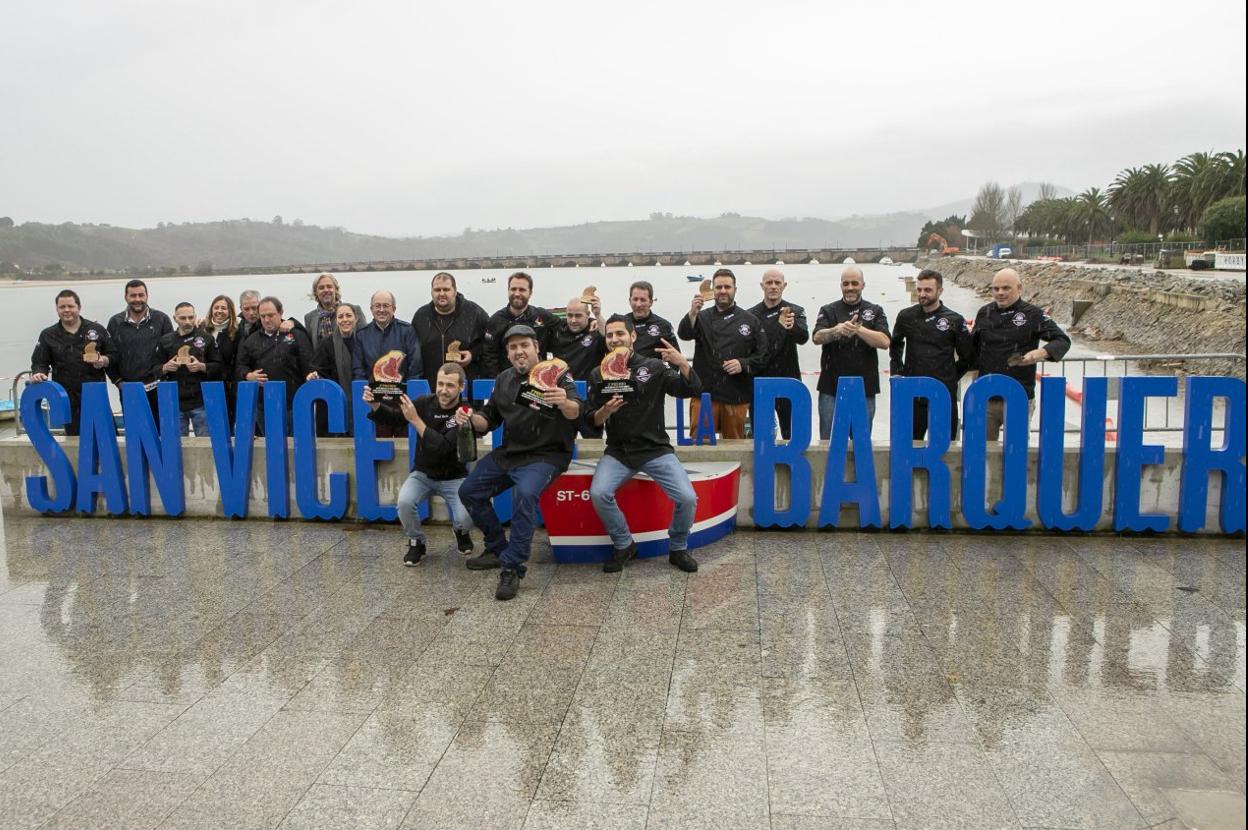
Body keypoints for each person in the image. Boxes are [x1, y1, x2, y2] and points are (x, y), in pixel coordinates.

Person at [456, 324, 583, 601]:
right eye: (513, 347)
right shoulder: (503, 379)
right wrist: (470, 419)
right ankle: (496, 547)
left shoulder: (559, 374)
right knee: (469, 491)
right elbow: (488, 419)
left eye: (524, 345)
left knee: (524, 493)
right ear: (508, 353)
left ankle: (512, 567)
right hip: (512, 452)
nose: (519, 351)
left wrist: (563, 401)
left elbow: (575, 412)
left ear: (536, 347)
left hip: (547, 454)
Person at [588, 316, 702, 573]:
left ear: (633, 337)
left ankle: (678, 547)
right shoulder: (598, 373)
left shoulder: (654, 367)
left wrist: (682, 362)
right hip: (618, 452)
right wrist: (605, 411)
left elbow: (689, 389)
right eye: (609, 335)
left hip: (655, 449)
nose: (615, 339)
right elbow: (590, 421)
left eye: (620, 334)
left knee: (687, 497)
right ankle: (624, 543)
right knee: (599, 493)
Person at [362, 363, 475, 565]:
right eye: (440, 384)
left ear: (461, 387)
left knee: (467, 517)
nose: (443, 390)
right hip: (423, 474)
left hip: (455, 477)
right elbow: (396, 418)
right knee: (404, 503)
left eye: (450, 385)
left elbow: (441, 446)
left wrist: (415, 420)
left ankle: (461, 531)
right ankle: (416, 541)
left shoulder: (464, 412)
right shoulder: (424, 402)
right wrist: (375, 405)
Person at [967, 267, 1071, 441]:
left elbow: (1063, 340)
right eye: (996, 288)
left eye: (1006, 288)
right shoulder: (984, 312)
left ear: (1019, 288)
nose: (1000, 293)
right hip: (986, 396)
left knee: (1016, 452)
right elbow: (972, 347)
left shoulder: (1033, 314)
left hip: (1019, 395)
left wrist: (1041, 352)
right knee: (981, 451)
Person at [677, 268, 768, 439]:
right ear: (713, 290)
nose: (723, 291)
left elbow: (763, 355)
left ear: (735, 289)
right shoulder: (701, 317)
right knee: (700, 445)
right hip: (704, 393)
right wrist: (692, 313)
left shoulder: (750, 320)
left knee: (735, 447)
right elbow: (684, 334)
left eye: (727, 287)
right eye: (719, 287)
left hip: (736, 393)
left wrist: (743, 364)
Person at [889, 269, 973, 440]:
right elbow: (896, 345)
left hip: (942, 393)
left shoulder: (954, 320)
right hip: (913, 393)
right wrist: (898, 372)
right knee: (908, 445)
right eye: (919, 290)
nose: (922, 294)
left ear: (940, 291)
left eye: (927, 290)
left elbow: (969, 356)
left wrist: (950, 376)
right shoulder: (906, 316)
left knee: (945, 448)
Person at [812, 266, 891, 440]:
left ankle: (858, 468)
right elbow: (817, 338)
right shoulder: (828, 310)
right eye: (846, 283)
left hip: (864, 388)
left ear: (863, 285)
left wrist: (858, 330)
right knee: (828, 441)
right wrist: (836, 330)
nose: (850, 287)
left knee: (861, 442)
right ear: (840, 285)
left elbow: (885, 342)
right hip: (831, 387)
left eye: (854, 283)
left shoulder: (875, 310)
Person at [30, 289, 117, 436]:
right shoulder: (48, 334)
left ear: (79, 307)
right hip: (66, 398)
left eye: (70, 306)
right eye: (62, 307)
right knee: (75, 441)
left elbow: (114, 355)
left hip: (95, 395)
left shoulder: (96, 329)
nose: (66, 310)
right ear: (57, 309)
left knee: (108, 437)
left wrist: (104, 360)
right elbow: (40, 361)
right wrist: (39, 373)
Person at [235, 296, 314, 432]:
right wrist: (248, 375)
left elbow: (309, 365)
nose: (266, 320)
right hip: (264, 405)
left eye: (271, 315)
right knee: (271, 449)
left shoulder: (295, 334)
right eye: (263, 316)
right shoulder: (251, 340)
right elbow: (239, 366)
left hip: (295, 403)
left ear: (281, 313)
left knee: (298, 447)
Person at [351, 290, 422, 438]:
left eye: (386, 306)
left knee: (405, 446)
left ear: (394, 309)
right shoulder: (362, 335)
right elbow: (358, 370)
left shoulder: (407, 331)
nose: (381, 310)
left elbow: (415, 366)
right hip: (376, 403)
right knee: (379, 446)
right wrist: (369, 397)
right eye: (377, 306)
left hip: (402, 401)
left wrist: (407, 397)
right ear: (371, 309)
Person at [748, 268, 809, 440]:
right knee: (761, 438)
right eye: (769, 283)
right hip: (760, 383)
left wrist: (792, 327)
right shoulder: (751, 315)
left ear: (784, 286)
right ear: (762, 286)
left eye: (777, 283)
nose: (773, 287)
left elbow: (803, 337)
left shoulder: (795, 311)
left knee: (792, 436)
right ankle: (765, 467)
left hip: (788, 382)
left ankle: (791, 466)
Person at [410, 272, 489, 392]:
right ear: (431, 292)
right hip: (431, 388)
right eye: (437, 290)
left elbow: (491, 344)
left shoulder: (475, 313)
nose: (441, 294)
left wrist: (472, 354)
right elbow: (413, 352)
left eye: (446, 289)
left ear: (455, 291)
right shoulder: (421, 316)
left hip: (466, 389)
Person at [106, 279, 173, 411]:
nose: (137, 299)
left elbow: (171, 351)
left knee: (162, 429)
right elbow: (110, 354)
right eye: (133, 295)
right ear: (126, 297)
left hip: (158, 387)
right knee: (134, 431)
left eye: (141, 295)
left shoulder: (162, 319)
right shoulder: (115, 322)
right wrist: (118, 382)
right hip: (128, 389)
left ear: (147, 296)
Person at [157, 302, 222, 436]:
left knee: (205, 444)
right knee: (177, 446)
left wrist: (202, 366)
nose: (188, 321)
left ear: (195, 316)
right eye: (183, 318)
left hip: (200, 400)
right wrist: (165, 367)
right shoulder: (165, 340)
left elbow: (219, 366)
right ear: (175, 318)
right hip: (175, 401)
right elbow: (153, 368)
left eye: (191, 317)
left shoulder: (206, 338)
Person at [481, 272, 560, 377]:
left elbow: (566, 327)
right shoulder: (496, 320)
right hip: (508, 380)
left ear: (530, 293)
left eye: (522, 290)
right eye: (513, 289)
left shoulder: (542, 316)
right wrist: (498, 381)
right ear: (508, 291)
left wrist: (589, 322)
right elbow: (489, 355)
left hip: (538, 378)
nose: (517, 293)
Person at [306, 303, 359, 436]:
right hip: (335, 403)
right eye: (340, 316)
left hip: (360, 401)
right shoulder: (326, 344)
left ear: (356, 318)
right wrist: (314, 376)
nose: (345, 319)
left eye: (348, 315)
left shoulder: (364, 341)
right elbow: (317, 369)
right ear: (336, 320)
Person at [550, 297, 607, 382]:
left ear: (588, 314)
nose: (573, 320)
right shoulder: (557, 330)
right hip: (562, 389)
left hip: (590, 388)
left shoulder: (595, 329)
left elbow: (608, 337)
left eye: (578, 316)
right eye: (570, 315)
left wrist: (598, 315)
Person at [303, 273, 365, 349]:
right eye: (321, 288)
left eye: (329, 287)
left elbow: (365, 341)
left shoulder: (354, 311)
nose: (326, 290)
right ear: (316, 292)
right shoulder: (309, 318)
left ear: (336, 289)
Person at [206, 295, 240, 423]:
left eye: (224, 308)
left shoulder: (237, 332)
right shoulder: (202, 330)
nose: (219, 311)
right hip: (207, 385)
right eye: (216, 307)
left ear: (230, 312)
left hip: (228, 386)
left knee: (227, 422)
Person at [626, 281, 681, 361]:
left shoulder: (663, 326)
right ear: (630, 301)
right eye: (635, 299)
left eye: (643, 300)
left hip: (654, 372)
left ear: (651, 302)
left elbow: (676, 358)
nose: (638, 304)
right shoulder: (621, 323)